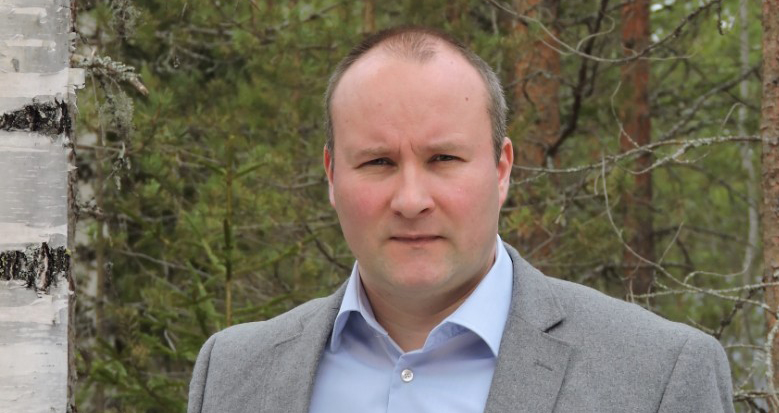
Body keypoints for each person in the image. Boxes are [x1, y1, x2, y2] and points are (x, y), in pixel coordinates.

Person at [187, 26, 734, 413]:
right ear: (332, 175)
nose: (411, 200)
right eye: (378, 162)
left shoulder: (659, 376)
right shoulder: (232, 372)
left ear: (502, 169)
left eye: (443, 159)